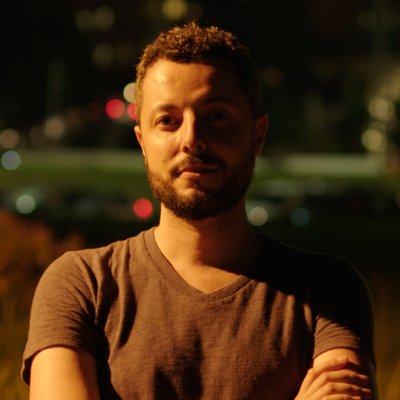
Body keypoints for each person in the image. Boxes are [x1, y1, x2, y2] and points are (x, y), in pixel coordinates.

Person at [22, 22, 378, 399]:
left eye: (216, 116)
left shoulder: (327, 290)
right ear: (142, 141)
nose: (191, 139)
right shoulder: (83, 285)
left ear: (257, 134)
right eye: (168, 121)